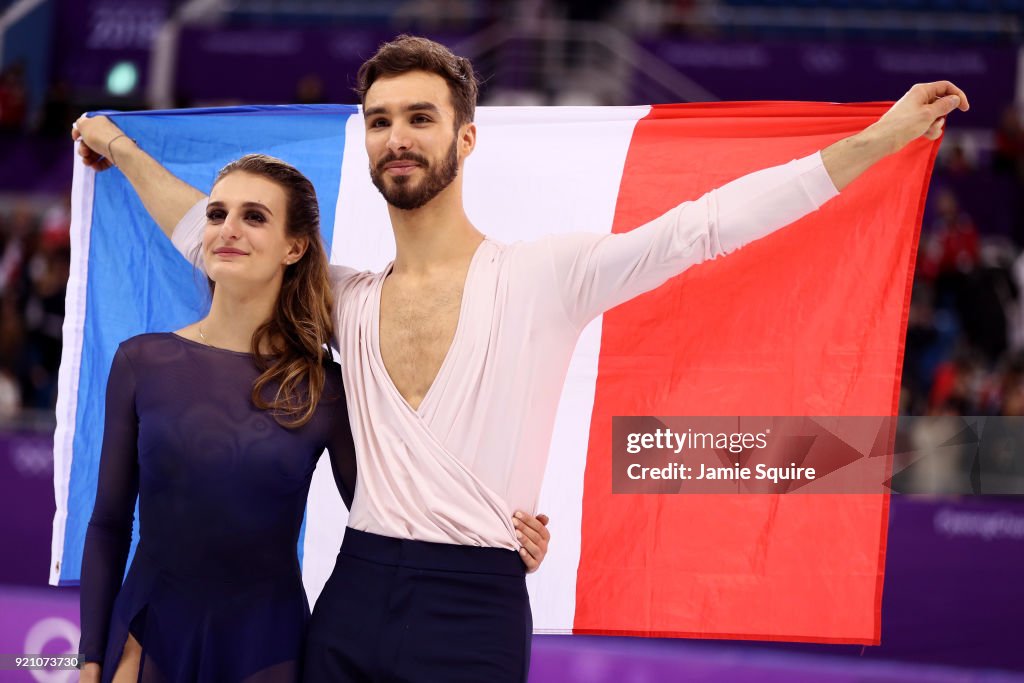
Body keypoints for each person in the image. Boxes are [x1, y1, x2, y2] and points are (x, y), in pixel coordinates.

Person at [74, 35, 969, 682]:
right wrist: (113, 145)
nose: (397, 136)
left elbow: (702, 230)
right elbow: (211, 232)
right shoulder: (339, 299)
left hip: (475, 607)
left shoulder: (550, 275)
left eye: (420, 117)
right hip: (349, 600)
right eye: (380, 119)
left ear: (465, 139)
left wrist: (875, 143)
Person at [74, 152, 551, 683]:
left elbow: (394, 518)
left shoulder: (324, 387)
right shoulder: (143, 361)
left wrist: (488, 537)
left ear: (295, 247)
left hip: (268, 648)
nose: (228, 229)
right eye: (216, 214)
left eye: (254, 217)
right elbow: (109, 523)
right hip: (149, 637)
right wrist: (89, 655)